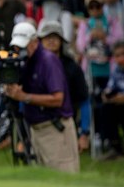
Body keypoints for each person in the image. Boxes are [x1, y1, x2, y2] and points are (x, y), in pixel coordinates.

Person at [4, 22, 80, 173]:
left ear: (34, 42)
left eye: (24, 46)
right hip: (36, 130)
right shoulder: (26, 62)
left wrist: (24, 97)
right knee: (45, 178)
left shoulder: (48, 60)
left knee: (63, 176)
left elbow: (58, 99)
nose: (21, 50)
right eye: (18, 47)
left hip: (55, 129)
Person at [37, 20, 91, 153]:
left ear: (61, 41)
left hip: (65, 122)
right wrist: (22, 137)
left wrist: (84, 133)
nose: (51, 41)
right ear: (40, 41)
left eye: (55, 37)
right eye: (47, 37)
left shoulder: (72, 68)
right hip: (38, 124)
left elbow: (84, 100)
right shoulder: (33, 66)